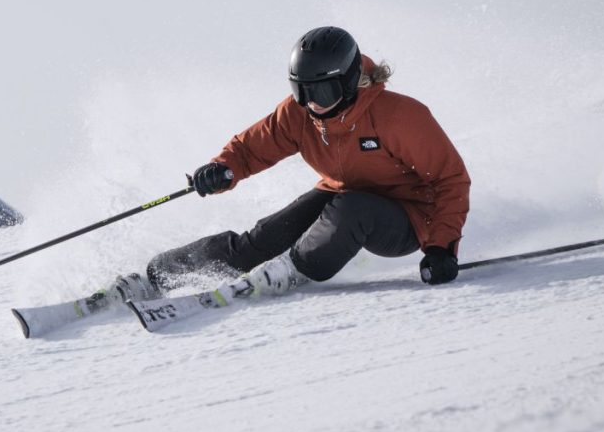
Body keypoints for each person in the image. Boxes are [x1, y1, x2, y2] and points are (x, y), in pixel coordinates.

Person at [144, 26, 470, 296]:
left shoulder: (399, 116)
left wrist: (441, 248)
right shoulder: (300, 115)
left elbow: (449, 179)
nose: (311, 103)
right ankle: (161, 273)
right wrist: (223, 169)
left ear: (347, 82)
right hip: (341, 196)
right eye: (301, 91)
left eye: (322, 92)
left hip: (408, 218)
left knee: (352, 208)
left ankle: (287, 272)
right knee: (264, 238)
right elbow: (253, 147)